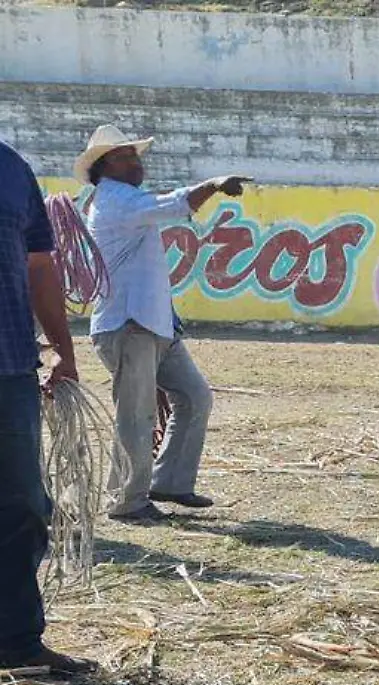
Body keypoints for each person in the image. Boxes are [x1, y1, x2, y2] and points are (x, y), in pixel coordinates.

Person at [76, 124, 249, 524]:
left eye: (135, 155)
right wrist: (213, 184)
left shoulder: (120, 198)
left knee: (194, 397)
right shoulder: (117, 199)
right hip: (130, 323)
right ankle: (126, 501)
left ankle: (168, 481)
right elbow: (175, 204)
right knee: (137, 415)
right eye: (126, 156)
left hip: (150, 323)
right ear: (105, 166)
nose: (136, 162)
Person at [1, 138, 95, 675]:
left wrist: (63, 347)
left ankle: (16, 641)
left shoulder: (12, 168)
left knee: (24, 507)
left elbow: (39, 264)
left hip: (10, 364)